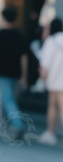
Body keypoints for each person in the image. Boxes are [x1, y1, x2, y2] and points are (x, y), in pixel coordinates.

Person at [0, 6, 28, 138]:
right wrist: (24, 75)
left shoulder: (0, 34)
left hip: (3, 73)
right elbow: (24, 57)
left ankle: (18, 124)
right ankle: (13, 123)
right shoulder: (19, 35)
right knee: (12, 99)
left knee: (7, 100)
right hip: (16, 73)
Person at [38, 17, 63, 145]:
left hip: (55, 80)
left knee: (53, 106)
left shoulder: (51, 41)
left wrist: (42, 78)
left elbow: (45, 63)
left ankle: (50, 132)